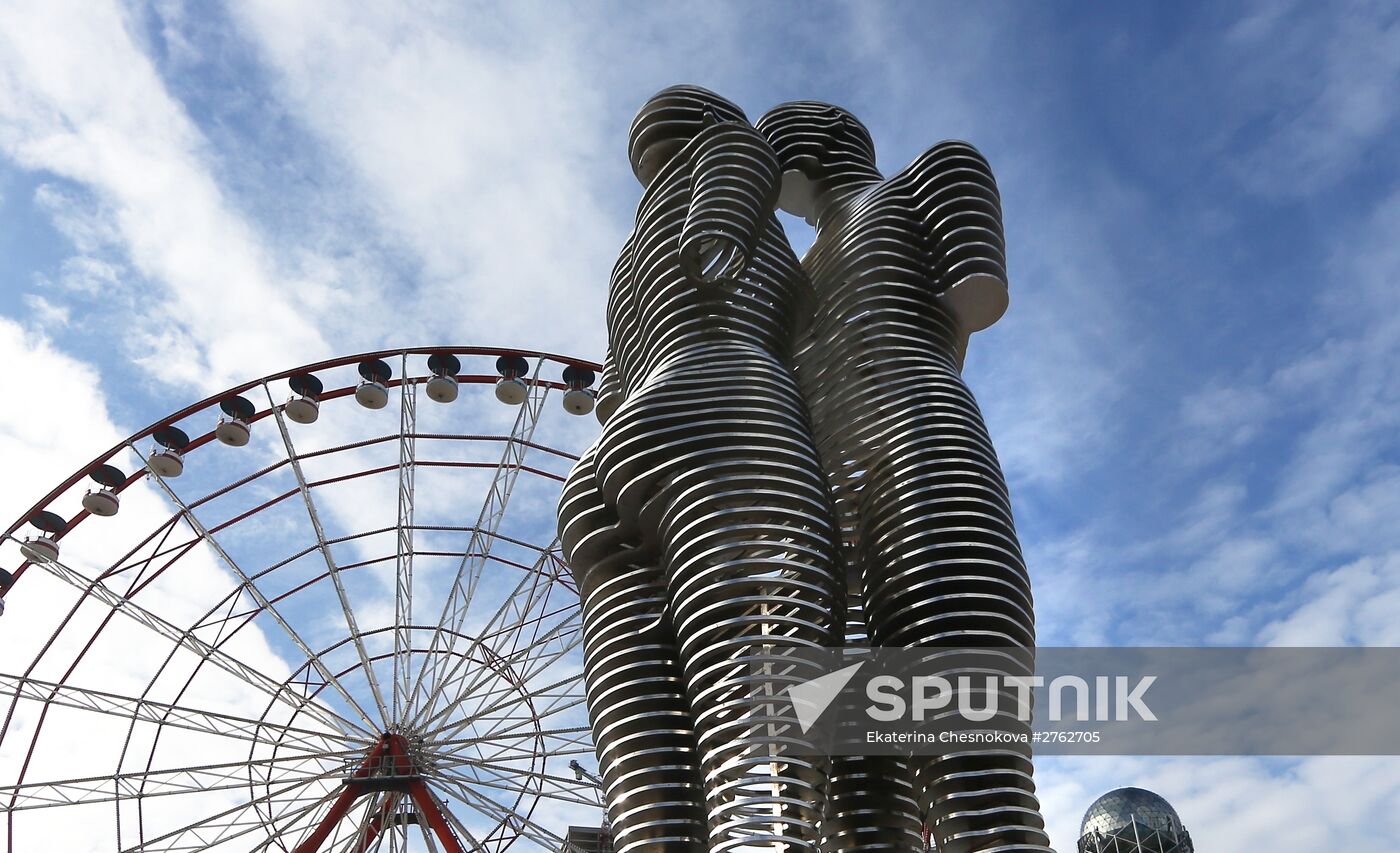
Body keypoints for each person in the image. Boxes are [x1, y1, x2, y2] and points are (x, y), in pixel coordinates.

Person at [757, 101, 1052, 853]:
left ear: (824, 136)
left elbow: (976, 290)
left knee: (968, 745)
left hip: (919, 443)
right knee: (844, 783)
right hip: (816, 496)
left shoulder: (932, 175)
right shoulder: (784, 280)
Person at [559, 85, 845, 853]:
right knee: (768, 703)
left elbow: (612, 391)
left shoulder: (626, 256)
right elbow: (714, 246)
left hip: (606, 465)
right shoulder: (729, 151)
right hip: (723, 403)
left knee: (648, 756)